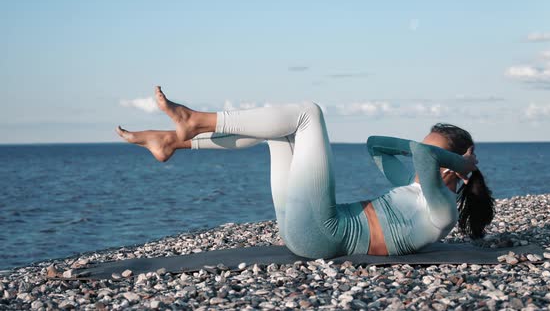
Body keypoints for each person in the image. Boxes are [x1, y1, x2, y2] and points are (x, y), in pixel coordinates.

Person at [116, 86, 495, 259]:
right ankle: (174, 142)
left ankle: (195, 119)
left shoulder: (441, 209)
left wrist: (462, 165)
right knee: (278, 134)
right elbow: (375, 143)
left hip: (324, 235)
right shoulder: (411, 188)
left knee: (307, 114)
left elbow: (419, 154)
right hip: (307, 230)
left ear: (454, 167)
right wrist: (450, 159)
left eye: (435, 152)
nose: (422, 156)